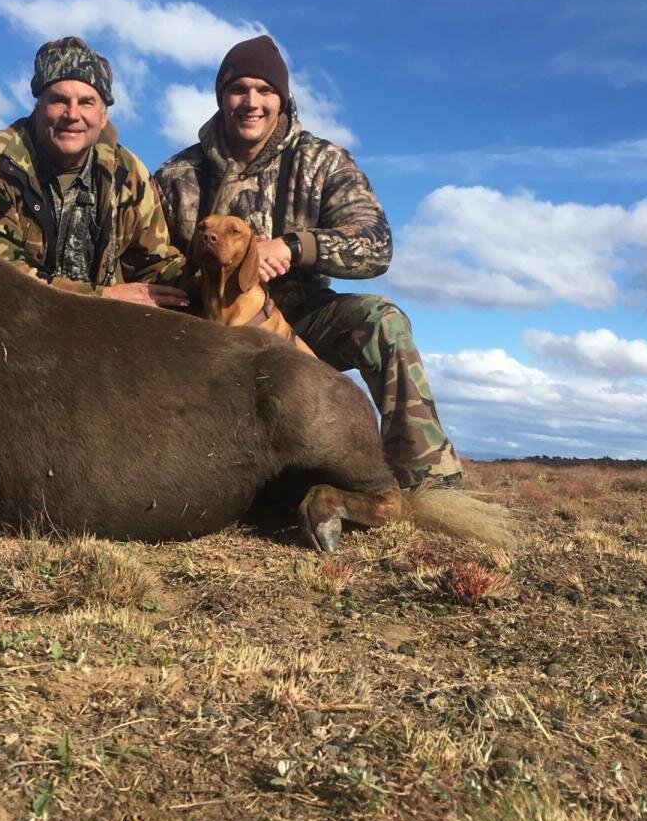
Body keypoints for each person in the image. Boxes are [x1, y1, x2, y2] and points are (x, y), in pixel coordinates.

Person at [155, 34, 465, 489]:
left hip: (303, 320)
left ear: (283, 98)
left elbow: (376, 244)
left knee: (383, 322)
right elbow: (147, 255)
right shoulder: (176, 175)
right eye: (239, 89)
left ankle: (427, 481)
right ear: (222, 97)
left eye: (265, 90)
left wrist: (295, 247)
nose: (251, 102)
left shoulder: (323, 161)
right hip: (204, 321)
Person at [0, 36, 187, 307]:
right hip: (10, 321)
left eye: (86, 102)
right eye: (59, 100)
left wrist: (213, 273)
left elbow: (154, 268)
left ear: (103, 117)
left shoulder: (129, 173)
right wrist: (104, 297)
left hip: (99, 330)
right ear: (38, 107)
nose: (72, 114)